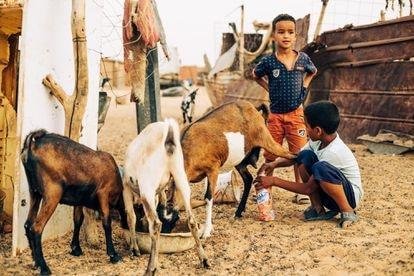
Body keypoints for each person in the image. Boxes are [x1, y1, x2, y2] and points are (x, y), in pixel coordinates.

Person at [255, 101, 363, 228]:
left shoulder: (334, 152)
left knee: (320, 168)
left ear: (317, 131)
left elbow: (308, 188)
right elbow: (296, 157)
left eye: (306, 126)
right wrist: (274, 164)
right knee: (304, 155)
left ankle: (347, 212)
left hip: (349, 198)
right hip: (331, 193)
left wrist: (274, 180)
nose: (305, 130)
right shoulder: (318, 141)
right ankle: (318, 209)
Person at [252, 14, 317, 205]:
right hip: (275, 116)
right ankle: (265, 190)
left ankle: (301, 191)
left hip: (297, 115)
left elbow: (313, 71)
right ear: (274, 36)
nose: (286, 36)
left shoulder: (303, 59)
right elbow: (255, 75)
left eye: (290, 32)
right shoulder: (269, 62)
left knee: (299, 155)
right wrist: (269, 88)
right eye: (281, 32)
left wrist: (304, 86)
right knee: (270, 154)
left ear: (296, 36)